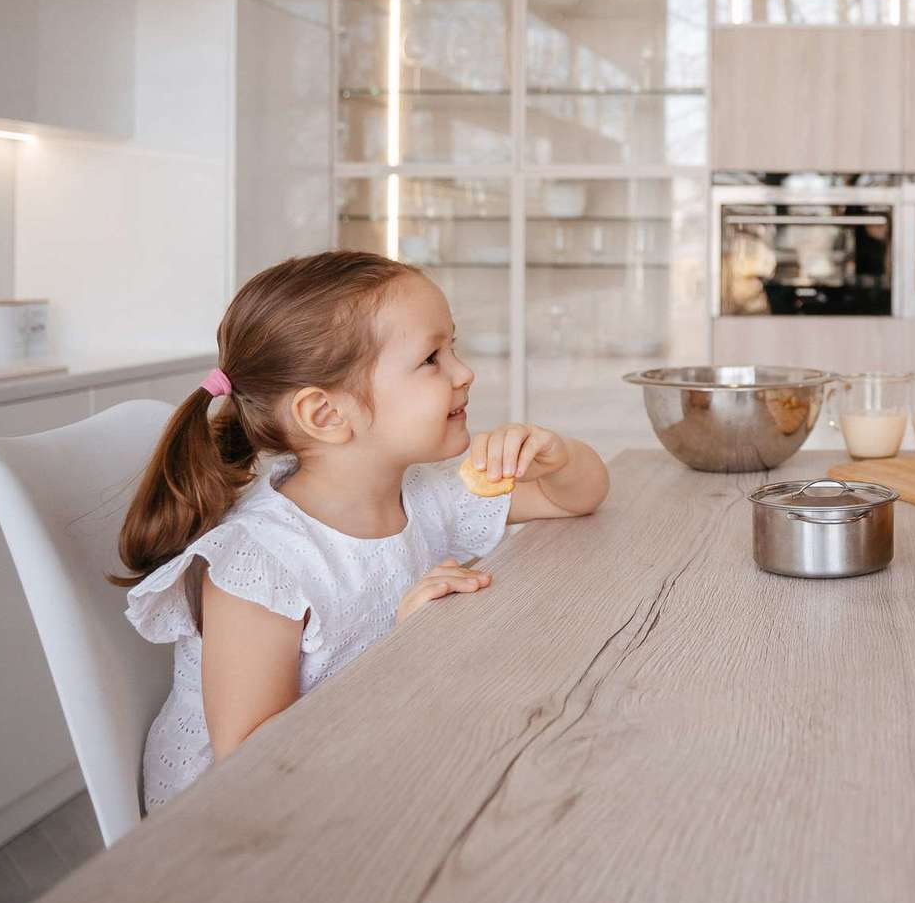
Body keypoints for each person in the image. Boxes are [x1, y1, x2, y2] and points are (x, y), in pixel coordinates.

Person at [113, 250, 610, 807]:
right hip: (242, 824)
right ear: (326, 415)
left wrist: (558, 456)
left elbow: (575, 499)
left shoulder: (424, 492)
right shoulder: (261, 562)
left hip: (367, 759)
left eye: (454, 348)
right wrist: (404, 652)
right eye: (430, 358)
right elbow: (250, 764)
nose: (464, 372)